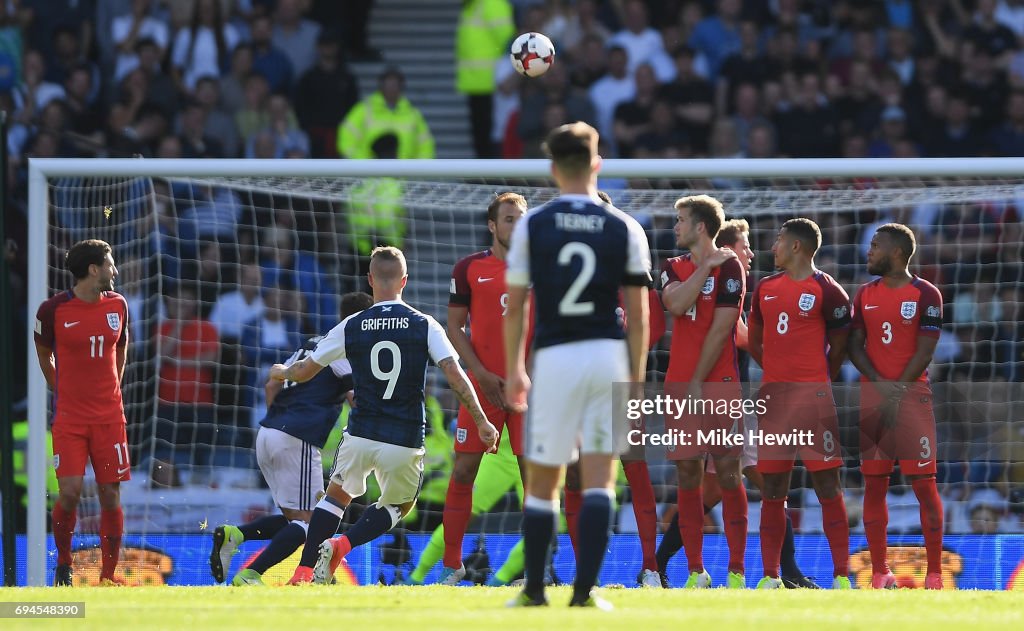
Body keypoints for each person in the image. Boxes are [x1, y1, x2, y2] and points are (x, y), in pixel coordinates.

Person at [267, 247, 498, 585]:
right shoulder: (424, 324)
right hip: (403, 438)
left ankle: (302, 573)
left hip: (361, 433)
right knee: (399, 506)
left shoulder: (350, 325)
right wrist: (481, 419)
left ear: (370, 280)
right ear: (405, 281)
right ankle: (342, 544)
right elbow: (454, 373)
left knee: (335, 498)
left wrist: (281, 371)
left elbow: (304, 372)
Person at [504, 122, 651, 608]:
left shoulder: (533, 224)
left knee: (545, 479)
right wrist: (635, 382)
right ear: (597, 164)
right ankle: (585, 594)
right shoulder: (624, 226)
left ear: (551, 169)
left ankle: (533, 592)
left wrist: (515, 369)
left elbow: (518, 303)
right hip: (607, 354)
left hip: (556, 355)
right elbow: (639, 315)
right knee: (600, 478)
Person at [655, 219, 820, 589]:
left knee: (712, 493)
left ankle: (662, 563)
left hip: (731, 402)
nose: (750, 255)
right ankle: (784, 572)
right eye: (744, 247)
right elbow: (746, 341)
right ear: (727, 248)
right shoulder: (730, 288)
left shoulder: (731, 292)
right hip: (725, 402)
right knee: (768, 484)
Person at [210, 291, 373, 586]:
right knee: (311, 522)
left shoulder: (311, 344)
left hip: (269, 432)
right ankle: (252, 574)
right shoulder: (345, 349)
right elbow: (357, 400)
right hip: (296, 438)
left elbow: (272, 383)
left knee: (295, 521)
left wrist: (280, 422)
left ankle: (237, 535)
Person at [748, 218, 852, 590]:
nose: (772, 247)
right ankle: (771, 576)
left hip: (814, 400)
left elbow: (840, 346)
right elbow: (755, 341)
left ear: (796, 247)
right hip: (775, 400)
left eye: (778, 240)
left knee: (827, 486)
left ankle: (842, 576)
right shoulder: (764, 288)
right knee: (772, 490)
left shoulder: (828, 289)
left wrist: (817, 381)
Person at [847, 223, 945, 590]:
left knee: (923, 483)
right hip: (874, 397)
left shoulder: (926, 293)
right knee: (874, 484)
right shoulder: (863, 294)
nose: (869, 251)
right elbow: (855, 344)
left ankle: (934, 574)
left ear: (898, 253)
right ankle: (879, 573)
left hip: (912, 399)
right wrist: (879, 383)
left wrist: (895, 390)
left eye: (876, 245)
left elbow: (925, 349)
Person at [437, 191, 528, 584]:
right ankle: (452, 565)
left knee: (534, 480)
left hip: (528, 389)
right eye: (509, 218)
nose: (516, 224)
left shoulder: (541, 267)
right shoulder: (469, 268)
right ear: (493, 225)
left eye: (521, 218)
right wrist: (480, 373)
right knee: (463, 471)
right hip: (481, 387)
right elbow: (453, 327)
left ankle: (533, 568)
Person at [659, 195, 747, 589]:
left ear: (699, 226)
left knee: (729, 474)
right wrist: (703, 269)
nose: (675, 227)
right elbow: (676, 305)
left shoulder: (732, 269)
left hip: (718, 385)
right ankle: (696, 571)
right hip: (680, 386)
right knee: (688, 474)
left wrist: (697, 379)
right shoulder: (672, 266)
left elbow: (721, 329)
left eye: (680, 220)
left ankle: (738, 571)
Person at [34, 239, 130, 586]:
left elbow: (121, 346)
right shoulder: (52, 310)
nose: (114, 271)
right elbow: (42, 348)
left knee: (109, 495)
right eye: (110, 264)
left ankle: (108, 576)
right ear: (94, 270)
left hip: (109, 418)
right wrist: (55, 383)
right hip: (70, 419)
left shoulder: (118, 305)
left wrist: (113, 389)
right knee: (70, 492)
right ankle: (63, 561)